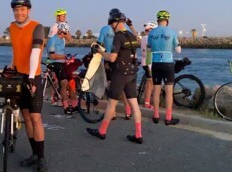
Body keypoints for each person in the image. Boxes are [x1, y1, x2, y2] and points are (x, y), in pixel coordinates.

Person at [88, 12, 145, 144]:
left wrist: (100, 51)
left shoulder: (118, 37)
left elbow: (112, 58)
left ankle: (102, 131)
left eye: (112, 23)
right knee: (134, 105)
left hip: (120, 74)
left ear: (118, 22)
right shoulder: (131, 35)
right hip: (132, 73)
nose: (112, 26)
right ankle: (138, 134)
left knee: (111, 104)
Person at [6, 0, 49, 172]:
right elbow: (16, 51)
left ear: (29, 10)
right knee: (25, 115)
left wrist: (31, 77)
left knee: (36, 117)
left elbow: (35, 52)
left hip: (33, 76)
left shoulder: (37, 27)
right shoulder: (12, 27)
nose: (20, 13)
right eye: (16, 10)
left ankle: (42, 157)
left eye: (23, 9)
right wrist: (10, 66)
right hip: (17, 76)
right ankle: (34, 154)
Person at [147, 10, 181, 125]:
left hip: (155, 63)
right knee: (169, 91)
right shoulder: (171, 32)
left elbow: (149, 48)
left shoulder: (151, 33)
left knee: (156, 90)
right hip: (168, 63)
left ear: (158, 21)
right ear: (167, 20)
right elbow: (178, 50)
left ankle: (156, 116)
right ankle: (168, 118)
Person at [46, 22, 79, 115]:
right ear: (60, 31)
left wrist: (68, 58)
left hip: (63, 63)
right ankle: (65, 106)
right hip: (55, 63)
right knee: (64, 83)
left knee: (72, 82)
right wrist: (64, 57)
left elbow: (62, 51)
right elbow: (52, 56)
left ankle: (74, 105)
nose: (66, 35)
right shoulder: (53, 40)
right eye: (64, 33)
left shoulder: (62, 40)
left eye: (66, 33)